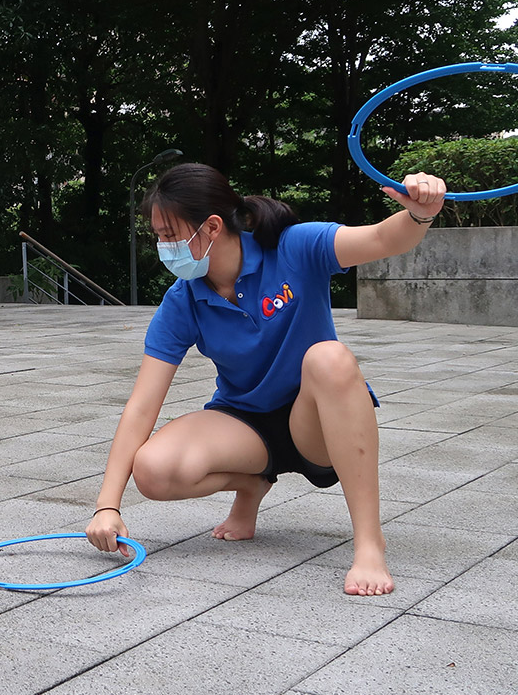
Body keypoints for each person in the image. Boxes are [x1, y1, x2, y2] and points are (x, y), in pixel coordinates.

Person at [85, 162, 447, 597]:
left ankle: (370, 543)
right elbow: (142, 404)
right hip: (246, 424)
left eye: (169, 235)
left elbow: (383, 238)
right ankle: (253, 483)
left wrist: (420, 212)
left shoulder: (294, 247)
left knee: (329, 358)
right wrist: (108, 505)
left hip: (316, 421)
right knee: (154, 470)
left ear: (213, 226)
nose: (164, 247)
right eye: (159, 236)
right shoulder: (183, 299)